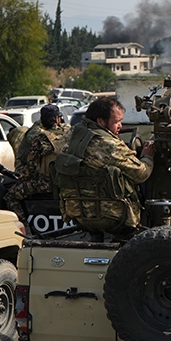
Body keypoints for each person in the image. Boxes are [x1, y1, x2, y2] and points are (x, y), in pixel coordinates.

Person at [55, 97, 156, 239]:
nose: (120, 126)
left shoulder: (68, 136)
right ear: (100, 121)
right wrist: (147, 156)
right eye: (116, 122)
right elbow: (141, 173)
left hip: (77, 212)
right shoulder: (108, 145)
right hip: (112, 215)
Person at [5, 105, 70, 226]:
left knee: (10, 196)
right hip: (67, 182)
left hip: (46, 184)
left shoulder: (40, 139)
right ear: (57, 119)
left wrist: (20, 178)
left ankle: (25, 226)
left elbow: (31, 167)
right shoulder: (69, 134)